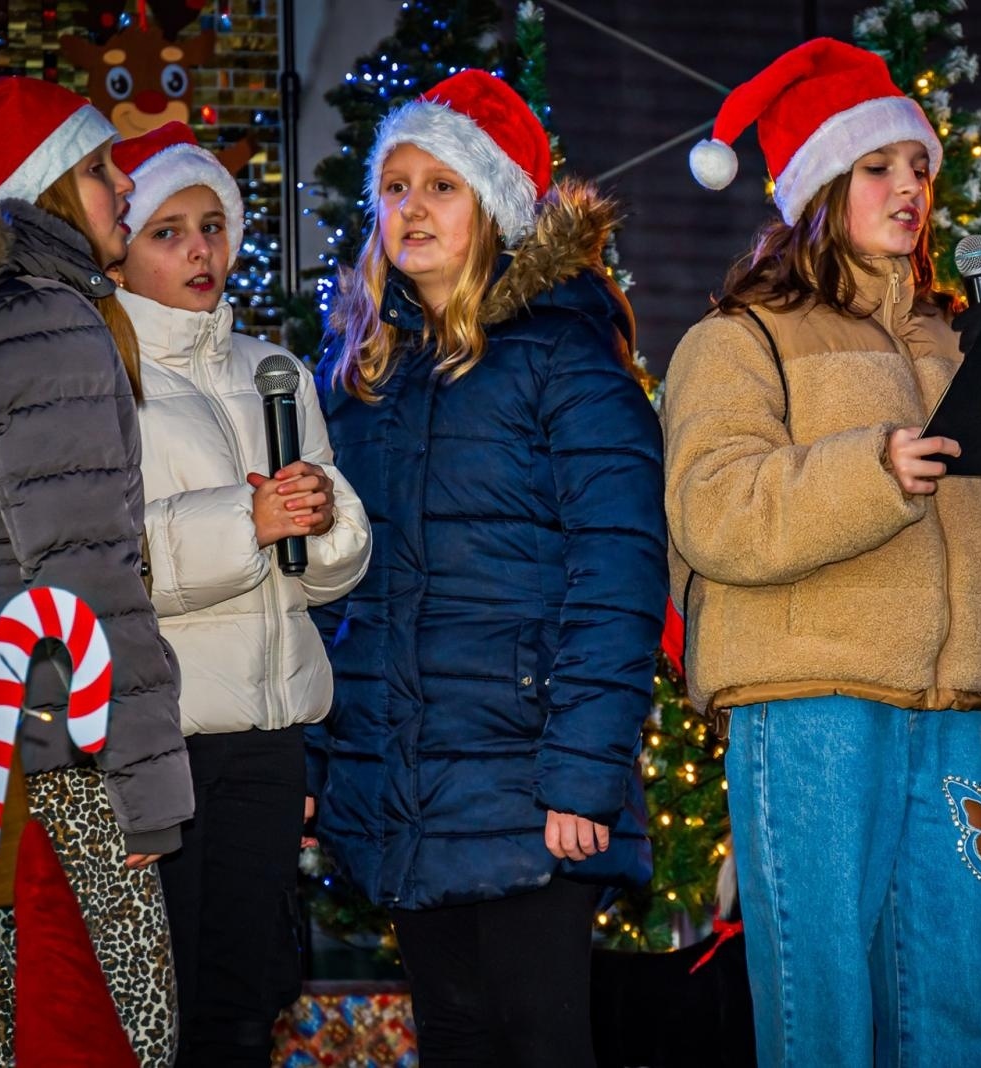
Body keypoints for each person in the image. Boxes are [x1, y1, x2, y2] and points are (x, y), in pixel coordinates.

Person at [668, 38, 981, 1065]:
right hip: (810, 709)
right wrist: (873, 471)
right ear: (821, 183)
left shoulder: (951, 346)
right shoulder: (738, 341)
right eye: (880, 167)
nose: (911, 186)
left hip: (952, 719)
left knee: (950, 1014)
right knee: (820, 1017)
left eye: (919, 168)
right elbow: (711, 511)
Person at [308, 70, 666, 1064]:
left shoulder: (566, 358)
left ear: (494, 205)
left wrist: (584, 776)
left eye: (441, 186)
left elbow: (621, 570)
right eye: (394, 187)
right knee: (457, 1035)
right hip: (407, 787)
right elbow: (340, 603)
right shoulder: (362, 379)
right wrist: (325, 765)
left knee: (540, 1037)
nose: (410, 208)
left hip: (531, 782)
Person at [0, 77, 191, 1066]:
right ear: (52, 188)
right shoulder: (43, 322)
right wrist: (146, 788)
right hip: (63, 756)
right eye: (104, 168)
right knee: (106, 1034)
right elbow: (81, 574)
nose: (125, 186)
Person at [107, 121, 371, 1066]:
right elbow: (103, 562)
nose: (199, 250)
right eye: (167, 231)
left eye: (212, 225)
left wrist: (324, 521)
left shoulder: (278, 370)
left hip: (272, 734)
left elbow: (327, 573)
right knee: (161, 1004)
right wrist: (244, 524)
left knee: (245, 994)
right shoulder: (102, 376)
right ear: (119, 247)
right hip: (165, 737)